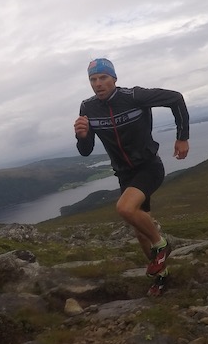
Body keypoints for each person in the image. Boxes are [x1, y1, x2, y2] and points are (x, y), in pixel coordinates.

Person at [73, 57, 189, 285]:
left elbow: (176, 98)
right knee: (140, 232)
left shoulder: (134, 97)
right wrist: (81, 136)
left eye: (103, 77)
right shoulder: (88, 107)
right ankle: (160, 275)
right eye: (93, 79)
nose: (98, 83)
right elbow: (86, 151)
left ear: (114, 78)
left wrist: (182, 137)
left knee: (125, 208)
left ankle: (162, 244)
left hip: (148, 166)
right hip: (124, 174)